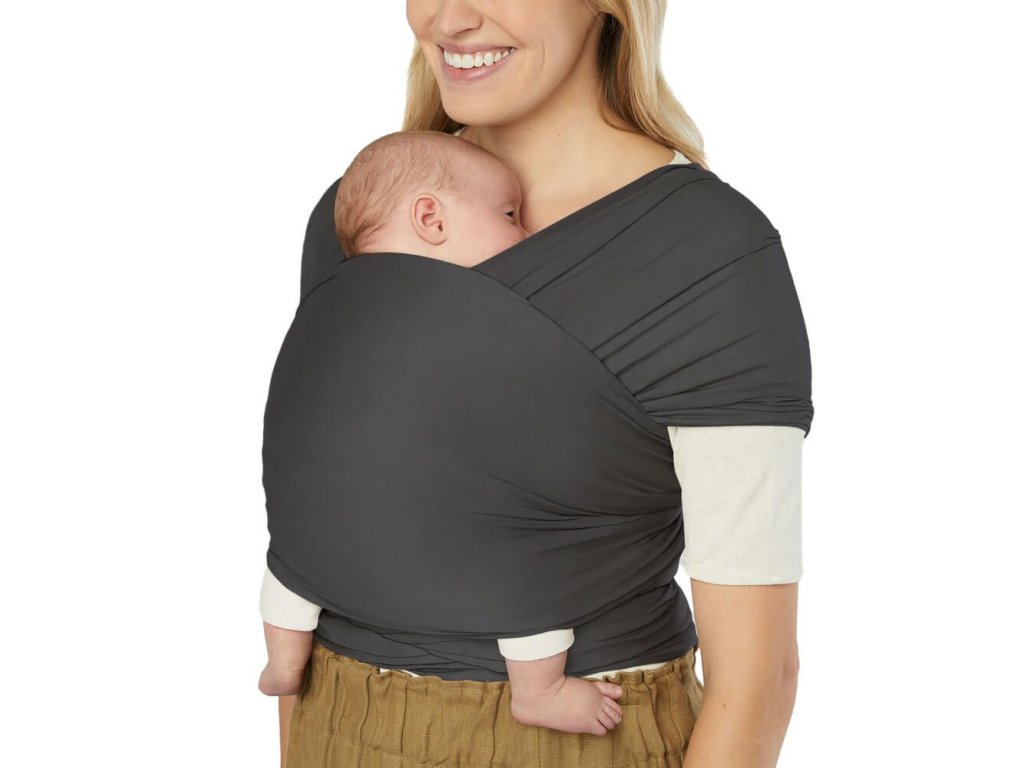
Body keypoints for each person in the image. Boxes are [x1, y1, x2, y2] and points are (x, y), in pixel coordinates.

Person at [265, 2, 812, 767]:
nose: (450, 18)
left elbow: (755, 683)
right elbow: (325, 511)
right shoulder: (362, 213)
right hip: (337, 728)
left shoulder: (703, 257)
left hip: (578, 736)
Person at [259, 128, 630, 736]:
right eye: (509, 215)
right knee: (532, 576)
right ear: (431, 219)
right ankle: (538, 691)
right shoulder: (479, 313)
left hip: (324, 540)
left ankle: (283, 657)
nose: (527, 235)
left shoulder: (336, 307)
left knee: (289, 566)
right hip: (462, 539)